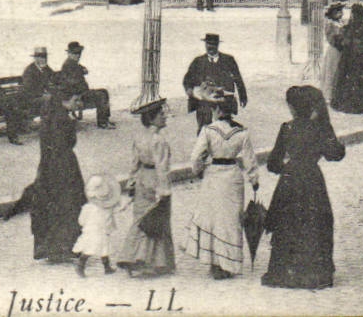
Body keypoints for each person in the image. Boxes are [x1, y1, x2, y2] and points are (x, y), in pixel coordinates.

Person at [261, 86, 346, 289]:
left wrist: (286, 167)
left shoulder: (287, 128)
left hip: (289, 179)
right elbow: (335, 154)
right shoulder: (321, 127)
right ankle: (315, 272)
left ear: (293, 108)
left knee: (287, 222)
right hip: (313, 179)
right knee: (316, 221)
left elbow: (272, 163)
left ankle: (285, 271)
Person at [183, 93, 258, 279]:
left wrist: (198, 170)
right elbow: (250, 160)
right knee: (230, 221)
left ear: (217, 109)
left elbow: (195, 157)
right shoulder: (242, 132)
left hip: (213, 175)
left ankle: (214, 263)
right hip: (233, 176)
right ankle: (228, 264)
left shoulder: (208, 130)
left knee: (213, 219)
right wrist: (254, 180)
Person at [116, 94, 175, 277]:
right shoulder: (159, 140)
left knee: (141, 219)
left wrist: (131, 183)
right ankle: (153, 261)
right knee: (157, 218)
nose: (164, 116)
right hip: (155, 180)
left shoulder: (139, 137)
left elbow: (134, 163)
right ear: (152, 118)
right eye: (161, 114)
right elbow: (162, 167)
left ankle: (131, 256)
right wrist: (164, 191)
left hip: (142, 179)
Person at [27, 88, 88, 263]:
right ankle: (65, 247)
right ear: (65, 101)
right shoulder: (64, 119)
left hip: (48, 166)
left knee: (50, 204)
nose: (79, 104)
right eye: (76, 100)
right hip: (64, 165)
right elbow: (68, 143)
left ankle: (50, 247)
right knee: (69, 204)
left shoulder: (50, 117)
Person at [183, 34, 248, 131]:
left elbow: (238, 78)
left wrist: (243, 96)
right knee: (204, 130)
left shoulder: (228, 60)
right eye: (208, 44)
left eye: (213, 44)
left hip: (223, 103)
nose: (210, 47)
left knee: (224, 128)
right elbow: (187, 79)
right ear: (205, 45)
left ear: (218, 45)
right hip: (204, 104)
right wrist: (189, 90)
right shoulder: (198, 61)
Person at [331, 3, 363, 113]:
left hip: (349, 58)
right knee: (362, 80)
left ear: (352, 15)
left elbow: (339, 42)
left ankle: (345, 103)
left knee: (346, 79)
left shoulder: (347, 28)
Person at [73, 174, 123, 277]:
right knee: (98, 248)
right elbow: (109, 222)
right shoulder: (107, 209)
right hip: (100, 232)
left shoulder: (88, 207)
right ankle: (82, 265)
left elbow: (81, 221)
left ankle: (104, 266)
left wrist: (85, 225)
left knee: (95, 248)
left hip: (91, 231)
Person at [57, 41, 113, 129]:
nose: (78, 55)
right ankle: (102, 122)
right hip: (76, 94)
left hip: (81, 92)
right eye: (75, 53)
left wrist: (82, 69)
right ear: (69, 53)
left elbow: (81, 69)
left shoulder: (73, 63)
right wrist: (80, 93)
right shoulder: (68, 65)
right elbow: (71, 83)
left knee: (104, 91)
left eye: (79, 53)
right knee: (100, 95)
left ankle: (106, 118)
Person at [19, 46, 55, 123]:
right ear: (35, 58)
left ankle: (57, 120)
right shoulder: (29, 70)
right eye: (41, 57)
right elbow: (28, 89)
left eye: (45, 57)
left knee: (54, 96)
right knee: (48, 98)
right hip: (31, 99)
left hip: (43, 96)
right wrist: (43, 93)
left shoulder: (46, 68)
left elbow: (54, 78)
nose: (44, 59)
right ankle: (44, 121)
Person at [319, 2, 346, 101]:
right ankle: (328, 95)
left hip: (341, 50)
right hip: (334, 50)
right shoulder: (330, 24)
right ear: (333, 13)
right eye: (338, 11)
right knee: (331, 71)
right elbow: (331, 38)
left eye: (341, 11)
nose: (341, 13)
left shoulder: (342, 23)